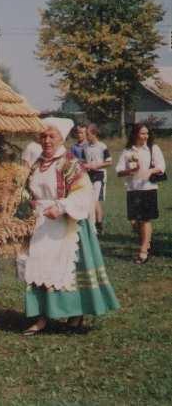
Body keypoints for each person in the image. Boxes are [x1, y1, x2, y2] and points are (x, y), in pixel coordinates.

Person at [19, 117, 119, 336]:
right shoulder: (37, 163)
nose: (46, 140)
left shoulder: (70, 162)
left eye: (51, 136)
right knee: (40, 268)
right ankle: (42, 315)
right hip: (41, 224)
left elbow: (84, 192)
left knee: (68, 269)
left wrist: (62, 206)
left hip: (67, 223)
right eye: (43, 136)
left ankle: (75, 314)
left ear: (61, 138)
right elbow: (30, 189)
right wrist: (29, 201)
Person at [115, 124, 166, 265]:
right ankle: (147, 242)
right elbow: (118, 170)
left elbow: (162, 166)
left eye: (147, 133)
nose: (145, 136)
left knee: (145, 219)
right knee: (134, 221)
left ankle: (143, 251)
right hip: (132, 189)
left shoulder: (153, 148)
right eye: (142, 133)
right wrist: (128, 172)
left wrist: (150, 171)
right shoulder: (127, 151)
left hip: (148, 188)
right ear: (135, 134)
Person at [83, 124, 112, 234]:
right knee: (89, 201)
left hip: (99, 175)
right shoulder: (85, 147)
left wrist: (96, 166)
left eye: (88, 134)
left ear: (94, 133)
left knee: (94, 201)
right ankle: (94, 225)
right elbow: (83, 160)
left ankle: (94, 227)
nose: (86, 136)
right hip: (88, 175)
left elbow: (109, 162)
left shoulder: (102, 146)